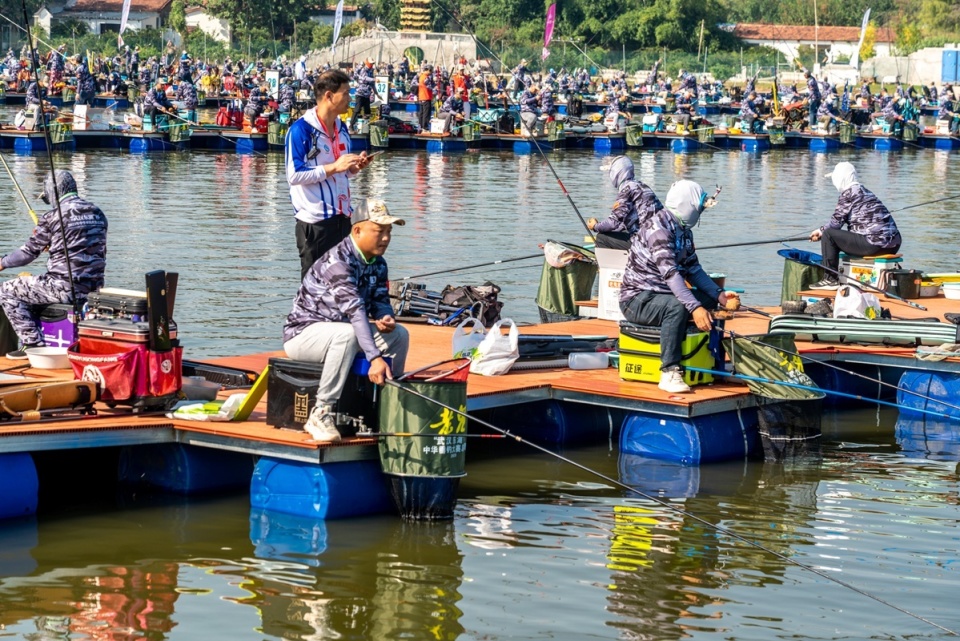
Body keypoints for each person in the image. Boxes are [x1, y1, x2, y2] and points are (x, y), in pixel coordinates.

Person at [282, 198, 409, 442]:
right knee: (348, 333)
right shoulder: (338, 262)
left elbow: (379, 300)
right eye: (379, 231)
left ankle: (391, 404)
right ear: (357, 230)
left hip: (342, 332)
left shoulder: (378, 263)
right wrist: (374, 358)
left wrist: (385, 316)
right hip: (303, 335)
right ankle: (321, 412)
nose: (385, 238)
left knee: (399, 335)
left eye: (389, 232)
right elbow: (357, 312)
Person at [619, 180, 738, 394]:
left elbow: (694, 269)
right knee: (680, 306)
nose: (701, 211)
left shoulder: (683, 230)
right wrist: (694, 307)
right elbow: (672, 275)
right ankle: (669, 371)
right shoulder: (658, 229)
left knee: (706, 301)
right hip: (636, 299)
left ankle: (710, 357)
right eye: (699, 206)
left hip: (663, 296)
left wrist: (719, 295)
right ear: (688, 204)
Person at [0, 170, 108, 359]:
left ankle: (32, 343)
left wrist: (2, 262)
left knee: (6, 290)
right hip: (93, 289)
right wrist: (56, 244)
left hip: (64, 288)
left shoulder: (52, 216)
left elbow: (27, 253)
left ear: (52, 191)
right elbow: (85, 247)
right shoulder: (98, 212)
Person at [286, 69, 373, 279]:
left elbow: (341, 172)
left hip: (343, 218)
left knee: (344, 283)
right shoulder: (301, 130)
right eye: (346, 93)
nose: (350, 99)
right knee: (314, 290)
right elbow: (294, 175)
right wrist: (335, 166)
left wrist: (354, 167)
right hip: (315, 224)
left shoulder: (342, 128)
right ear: (328, 96)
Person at [808, 162, 901, 290]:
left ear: (841, 177)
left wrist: (821, 231)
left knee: (829, 235)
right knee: (831, 234)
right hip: (893, 245)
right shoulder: (865, 192)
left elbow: (835, 225)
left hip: (874, 244)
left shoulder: (849, 193)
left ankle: (830, 279)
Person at [587, 156, 663, 250]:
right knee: (618, 233)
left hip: (644, 243)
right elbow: (623, 223)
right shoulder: (643, 186)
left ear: (616, 173)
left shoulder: (626, 190)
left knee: (601, 238)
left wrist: (595, 226)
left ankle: (607, 263)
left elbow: (613, 223)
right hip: (660, 239)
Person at [351, 59, 376, 131]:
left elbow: (372, 83)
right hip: (360, 93)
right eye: (370, 63)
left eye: (372, 64)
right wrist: (374, 79)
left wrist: (376, 93)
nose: (371, 65)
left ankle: (366, 127)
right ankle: (351, 125)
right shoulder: (364, 70)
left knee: (367, 111)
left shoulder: (371, 71)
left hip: (367, 94)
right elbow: (365, 78)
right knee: (357, 109)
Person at [416, 63, 435, 132]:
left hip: (421, 98)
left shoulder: (421, 76)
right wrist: (434, 86)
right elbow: (430, 87)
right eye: (431, 71)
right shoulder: (425, 78)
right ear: (428, 70)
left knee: (421, 113)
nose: (431, 73)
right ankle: (425, 127)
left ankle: (420, 127)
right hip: (426, 97)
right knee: (426, 114)